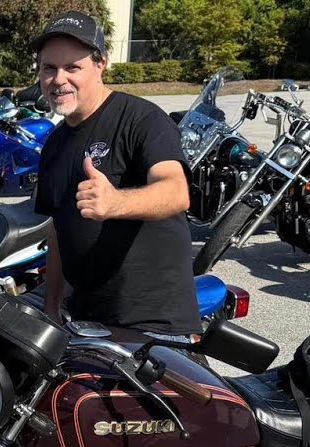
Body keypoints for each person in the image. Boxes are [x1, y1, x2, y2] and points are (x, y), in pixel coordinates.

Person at [29, 11, 201, 339]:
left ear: (100, 65)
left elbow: (176, 192)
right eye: (49, 68)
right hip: (86, 321)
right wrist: (51, 306)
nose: (58, 79)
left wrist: (115, 202)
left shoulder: (142, 120)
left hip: (151, 325)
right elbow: (58, 231)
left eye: (72, 67)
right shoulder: (54, 143)